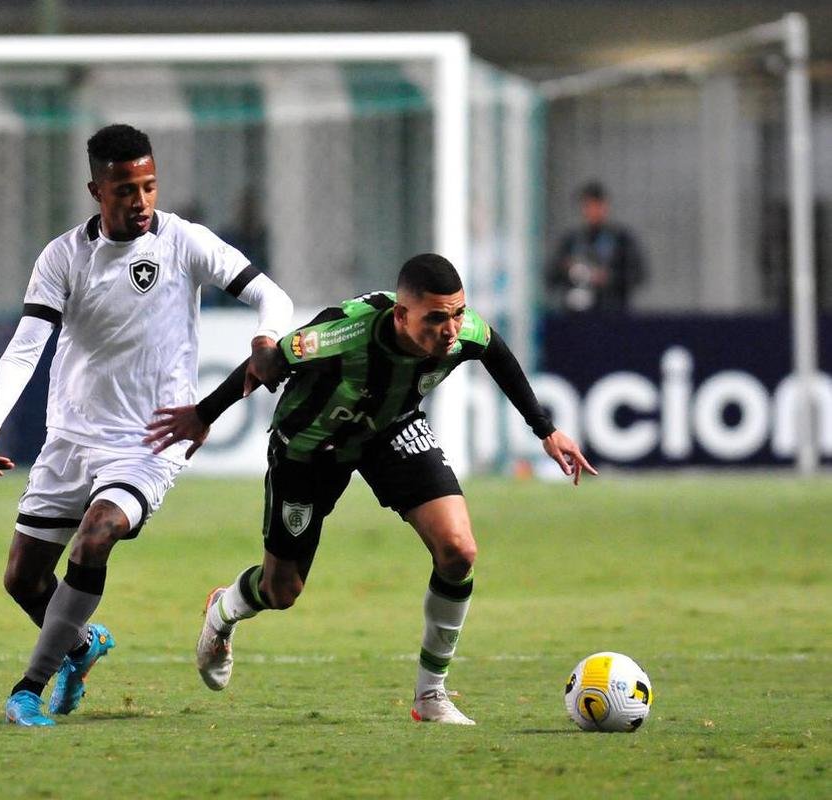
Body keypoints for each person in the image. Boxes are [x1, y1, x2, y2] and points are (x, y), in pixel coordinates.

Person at [145, 253, 595, 725]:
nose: (451, 329)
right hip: (309, 449)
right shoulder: (341, 334)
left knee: (458, 550)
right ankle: (225, 608)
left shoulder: (463, 331)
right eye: (436, 318)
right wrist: (203, 415)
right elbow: (266, 362)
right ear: (401, 315)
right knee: (282, 591)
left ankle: (430, 695)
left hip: (389, 431)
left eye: (458, 314)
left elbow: (497, 351)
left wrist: (545, 430)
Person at [0, 123, 293, 727]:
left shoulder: (183, 242)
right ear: (97, 190)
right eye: (125, 189)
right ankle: (79, 645)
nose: (141, 201)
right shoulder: (64, 256)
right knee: (22, 579)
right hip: (70, 439)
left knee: (97, 535)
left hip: (149, 442)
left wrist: (264, 336)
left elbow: (272, 296)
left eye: (148, 186)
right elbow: (27, 344)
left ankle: (27, 690)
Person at [548, 181, 646, 313]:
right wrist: (566, 269)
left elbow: (638, 275)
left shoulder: (621, 240)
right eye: (588, 206)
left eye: (597, 205)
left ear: (605, 207)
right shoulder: (571, 241)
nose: (593, 211)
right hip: (575, 314)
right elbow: (551, 277)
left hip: (612, 313)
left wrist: (608, 278)